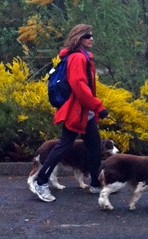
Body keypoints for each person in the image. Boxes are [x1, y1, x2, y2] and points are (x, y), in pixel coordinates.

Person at [31, 24, 109, 202]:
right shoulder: (77, 59)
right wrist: (98, 107)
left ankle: (96, 183)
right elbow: (80, 87)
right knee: (64, 145)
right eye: (87, 36)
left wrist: (93, 107)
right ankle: (41, 181)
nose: (91, 38)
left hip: (84, 111)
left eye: (91, 35)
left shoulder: (83, 57)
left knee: (94, 145)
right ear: (78, 38)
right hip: (77, 111)